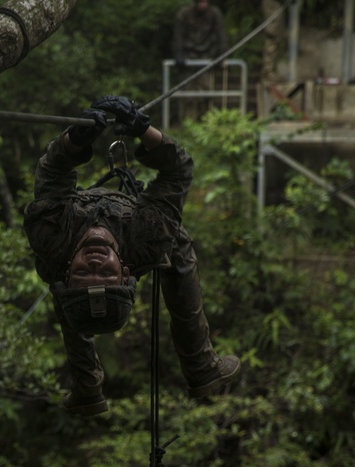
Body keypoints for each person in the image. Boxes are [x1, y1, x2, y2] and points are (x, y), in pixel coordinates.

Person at [23, 95, 240, 416]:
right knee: (174, 242)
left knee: (67, 293)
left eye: (85, 272)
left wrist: (73, 140)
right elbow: (178, 170)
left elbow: (53, 171)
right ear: (125, 272)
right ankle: (201, 365)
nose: (95, 264)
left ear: (71, 268)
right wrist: (144, 130)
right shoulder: (145, 237)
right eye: (105, 274)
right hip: (136, 228)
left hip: (63, 246)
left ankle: (86, 387)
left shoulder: (53, 238)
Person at [173, 0, 230, 120]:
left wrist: (221, 55)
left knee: (207, 92)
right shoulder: (185, 14)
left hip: (205, 57)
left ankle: (205, 122)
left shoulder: (214, 14)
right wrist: (179, 54)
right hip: (189, 57)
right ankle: (189, 122)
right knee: (188, 95)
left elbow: (221, 35)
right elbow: (178, 36)